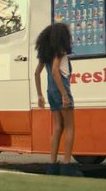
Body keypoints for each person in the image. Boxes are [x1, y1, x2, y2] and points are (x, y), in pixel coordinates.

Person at [34, 23, 82, 177]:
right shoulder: (60, 51)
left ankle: (52, 165)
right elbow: (55, 71)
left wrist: (39, 95)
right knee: (69, 127)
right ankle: (67, 166)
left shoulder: (45, 54)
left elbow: (36, 73)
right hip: (61, 89)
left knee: (56, 128)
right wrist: (65, 95)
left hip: (49, 91)